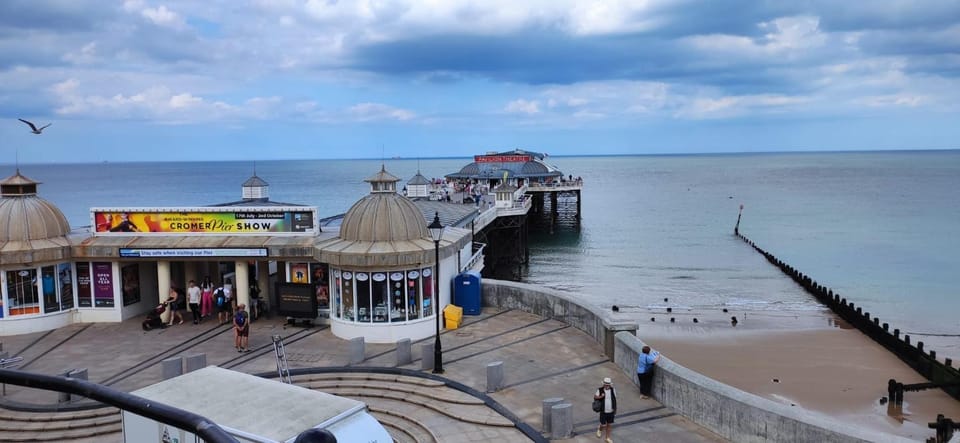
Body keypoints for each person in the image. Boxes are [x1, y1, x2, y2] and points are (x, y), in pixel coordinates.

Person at [594, 377, 617, 443]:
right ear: (603, 384)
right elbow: (595, 397)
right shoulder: (600, 390)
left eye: (608, 385)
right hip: (603, 411)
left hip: (611, 411)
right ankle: (600, 429)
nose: (607, 386)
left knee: (609, 425)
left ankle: (607, 438)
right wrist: (601, 396)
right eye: (605, 385)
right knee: (603, 424)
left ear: (610, 385)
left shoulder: (613, 390)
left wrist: (615, 409)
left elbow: (614, 399)